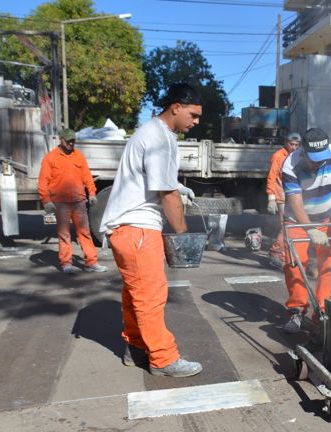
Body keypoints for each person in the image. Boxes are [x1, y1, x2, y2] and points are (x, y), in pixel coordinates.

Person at [99, 82, 202, 378]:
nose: (195, 122)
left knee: (135, 295)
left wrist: (180, 187)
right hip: (139, 230)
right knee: (151, 296)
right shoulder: (161, 138)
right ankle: (163, 358)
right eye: (193, 115)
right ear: (176, 107)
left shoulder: (149, 132)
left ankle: (135, 348)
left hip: (125, 229)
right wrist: (182, 233)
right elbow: (165, 193)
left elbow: (154, 179)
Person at [281, 127, 331, 334]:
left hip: (329, 217)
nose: (320, 161)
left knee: (329, 264)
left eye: (322, 157)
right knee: (294, 263)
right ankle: (297, 310)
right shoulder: (291, 164)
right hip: (298, 220)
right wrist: (309, 229)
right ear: (304, 152)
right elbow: (295, 201)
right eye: (314, 158)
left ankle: (322, 313)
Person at [38, 128, 107, 274]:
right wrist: (46, 201)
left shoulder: (78, 156)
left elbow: (87, 176)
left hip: (78, 201)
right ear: (60, 139)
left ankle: (91, 263)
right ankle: (66, 263)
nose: (71, 143)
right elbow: (43, 182)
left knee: (85, 232)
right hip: (60, 202)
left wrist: (92, 193)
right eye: (68, 140)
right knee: (64, 233)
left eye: (73, 140)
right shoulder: (50, 158)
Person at [266, 132, 300, 269]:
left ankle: (284, 256)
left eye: (297, 145)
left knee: (291, 226)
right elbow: (271, 177)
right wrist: (271, 198)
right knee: (286, 227)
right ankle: (276, 254)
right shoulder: (278, 156)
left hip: (292, 196)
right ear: (286, 143)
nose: (294, 147)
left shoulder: (297, 156)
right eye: (291, 144)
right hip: (281, 197)